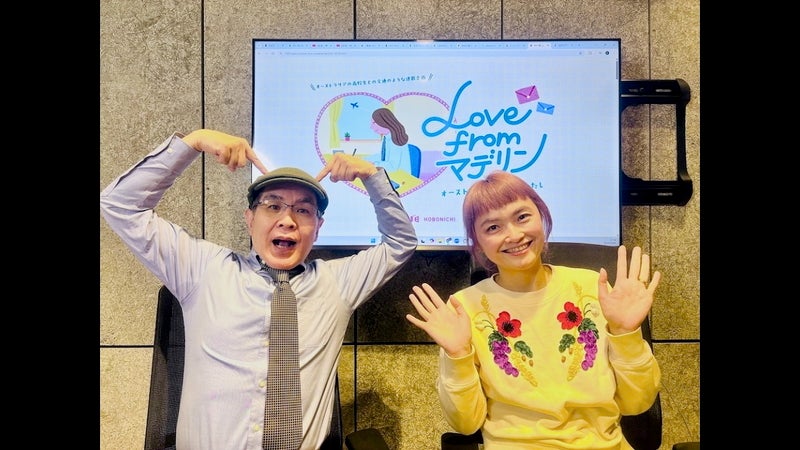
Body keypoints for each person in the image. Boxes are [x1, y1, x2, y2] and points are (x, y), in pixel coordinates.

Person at [99, 129, 417, 449]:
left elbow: (401, 243)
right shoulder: (202, 270)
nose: (288, 220)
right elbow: (120, 205)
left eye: (303, 210)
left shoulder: (338, 284)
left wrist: (372, 176)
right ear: (250, 219)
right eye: (273, 206)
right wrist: (195, 141)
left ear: (318, 228)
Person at [405, 170, 661, 450]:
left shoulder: (592, 288)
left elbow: (637, 403)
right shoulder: (464, 308)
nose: (514, 235)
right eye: (493, 227)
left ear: (542, 215)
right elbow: (466, 424)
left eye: (522, 217)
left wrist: (625, 332)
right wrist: (458, 356)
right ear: (477, 243)